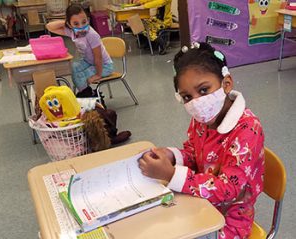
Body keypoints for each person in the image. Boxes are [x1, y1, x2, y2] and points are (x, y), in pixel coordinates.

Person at [139, 42, 265, 238]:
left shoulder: (248, 129)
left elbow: (228, 189)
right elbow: (193, 152)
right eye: (187, 97)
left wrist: (171, 174)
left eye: (204, 90)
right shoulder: (202, 118)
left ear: (226, 83)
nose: (196, 102)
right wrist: (172, 155)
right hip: (199, 202)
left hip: (230, 219)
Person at [46, 4, 114, 99]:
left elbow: (98, 57)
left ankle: (90, 96)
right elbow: (49, 26)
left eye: (84, 22)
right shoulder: (71, 31)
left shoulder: (92, 35)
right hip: (89, 62)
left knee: (81, 76)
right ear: (69, 25)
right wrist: (66, 23)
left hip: (104, 66)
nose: (81, 26)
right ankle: (86, 93)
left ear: (88, 20)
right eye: (76, 23)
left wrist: (98, 75)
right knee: (73, 67)